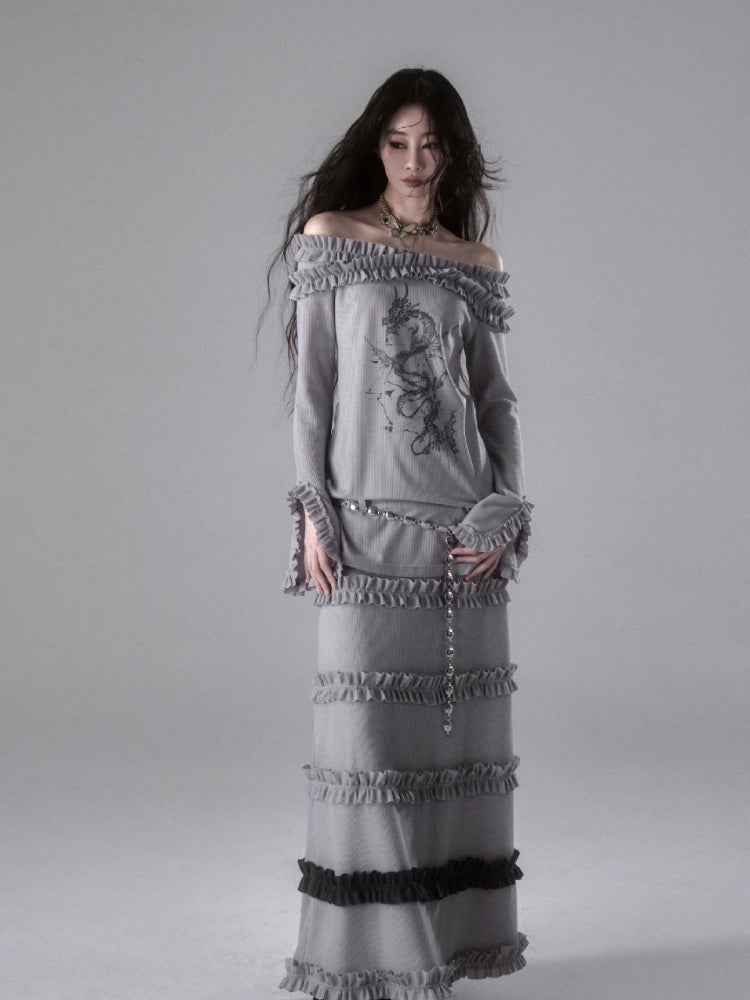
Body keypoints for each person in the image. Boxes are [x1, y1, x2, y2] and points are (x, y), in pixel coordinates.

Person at [274, 67, 533, 1000]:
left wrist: (507, 511)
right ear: (374, 146)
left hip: (462, 542)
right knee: (369, 754)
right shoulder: (331, 238)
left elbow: (495, 403)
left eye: (430, 143)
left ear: (452, 151)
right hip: (365, 535)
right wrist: (312, 510)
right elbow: (313, 394)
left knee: (450, 758)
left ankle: (447, 948)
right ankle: (375, 956)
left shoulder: (474, 261)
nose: (413, 161)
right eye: (396, 142)